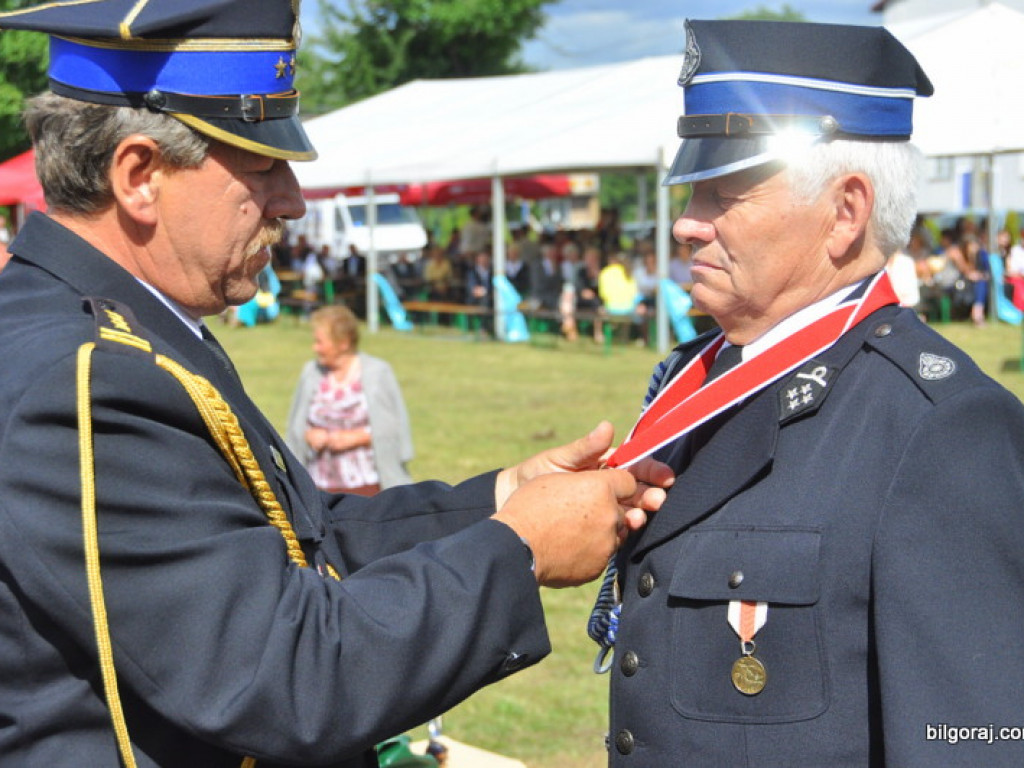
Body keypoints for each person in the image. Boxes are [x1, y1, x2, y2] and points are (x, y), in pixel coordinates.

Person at [0, 3, 672, 766]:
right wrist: (518, 549)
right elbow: (284, 672)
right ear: (139, 177)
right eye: (261, 167)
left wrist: (499, 497)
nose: (292, 201)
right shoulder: (85, 379)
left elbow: (300, 542)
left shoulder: (122, 330)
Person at [592, 19, 1024, 767]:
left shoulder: (941, 427)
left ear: (845, 212)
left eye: (725, 193)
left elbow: (973, 740)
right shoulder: (695, 375)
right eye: (693, 190)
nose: (687, 224)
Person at [286, 305, 413, 495]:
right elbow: (295, 426)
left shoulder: (377, 373)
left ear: (343, 343)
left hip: (368, 487)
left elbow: (395, 428)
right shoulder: (311, 372)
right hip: (317, 488)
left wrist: (358, 437)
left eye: (320, 342)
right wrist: (309, 435)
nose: (315, 348)